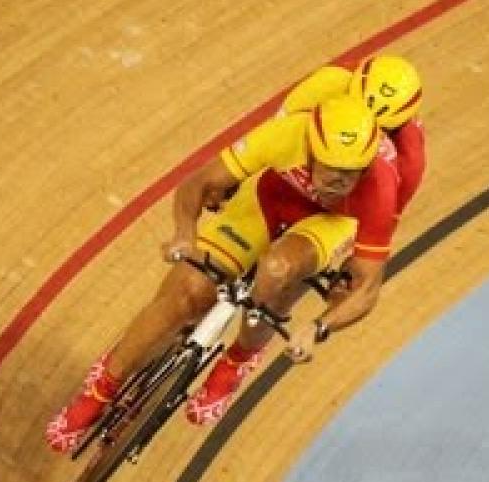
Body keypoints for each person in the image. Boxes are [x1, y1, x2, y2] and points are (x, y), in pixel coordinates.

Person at [45, 64, 420, 453]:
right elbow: (200, 181)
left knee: (278, 272)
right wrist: (185, 236)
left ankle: (240, 357)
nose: (340, 182)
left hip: (331, 222)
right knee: (188, 291)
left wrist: (320, 326)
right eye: (332, 170)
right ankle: (101, 387)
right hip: (272, 196)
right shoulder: (293, 125)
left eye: (351, 173)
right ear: (312, 146)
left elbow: (368, 283)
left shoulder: (386, 178)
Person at [282, 54, 425, 215]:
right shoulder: (328, 83)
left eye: (380, 131)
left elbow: (381, 217)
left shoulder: (410, 161)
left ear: (399, 126)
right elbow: (277, 134)